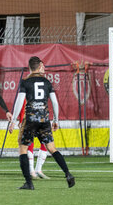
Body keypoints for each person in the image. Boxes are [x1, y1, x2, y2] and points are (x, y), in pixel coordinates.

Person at [9, 56, 75, 190]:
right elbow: (55, 103)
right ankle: (68, 174)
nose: (44, 68)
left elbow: (19, 102)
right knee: (52, 148)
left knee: (23, 149)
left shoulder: (25, 82)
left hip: (31, 120)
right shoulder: (47, 82)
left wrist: (13, 120)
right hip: (44, 119)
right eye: (43, 66)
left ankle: (29, 183)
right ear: (39, 66)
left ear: (29, 68)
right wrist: (56, 120)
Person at [17, 99, 50, 179]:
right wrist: (21, 120)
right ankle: (31, 170)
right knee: (29, 144)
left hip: (41, 120)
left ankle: (38, 170)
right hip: (30, 120)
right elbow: (21, 103)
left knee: (45, 143)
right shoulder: (28, 90)